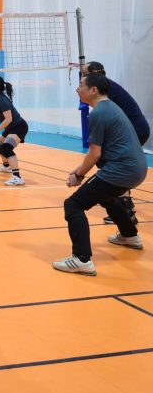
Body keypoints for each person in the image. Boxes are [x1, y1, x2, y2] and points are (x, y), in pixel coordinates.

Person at [53, 72, 146, 275]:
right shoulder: (111, 107)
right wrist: (79, 170)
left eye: (81, 85)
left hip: (122, 170)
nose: (77, 89)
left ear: (93, 90)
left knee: (73, 204)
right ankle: (130, 236)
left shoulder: (98, 113)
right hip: (138, 169)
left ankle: (81, 259)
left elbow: (95, 153)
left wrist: (79, 175)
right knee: (107, 197)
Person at [85, 61, 150, 225]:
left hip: (136, 129)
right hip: (136, 128)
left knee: (112, 165)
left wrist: (79, 173)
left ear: (95, 74)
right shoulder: (106, 88)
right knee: (113, 166)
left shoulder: (105, 90)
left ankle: (126, 211)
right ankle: (125, 209)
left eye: (85, 73)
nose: (83, 76)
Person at [0, 75, 28, 186]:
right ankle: (6, 166)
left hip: (19, 126)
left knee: (6, 148)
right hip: (10, 127)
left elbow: (8, 119)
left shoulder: (3, 100)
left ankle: (17, 177)